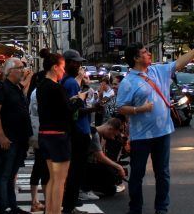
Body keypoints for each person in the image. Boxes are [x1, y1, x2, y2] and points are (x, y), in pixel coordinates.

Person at [116, 35, 194, 214]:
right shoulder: (128, 82)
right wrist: (139, 109)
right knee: (137, 174)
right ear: (135, 58)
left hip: (162, 132)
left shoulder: (157, 71)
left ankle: (162, 209)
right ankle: (135, 209)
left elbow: (178, 63)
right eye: (144, 52)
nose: (149, 54)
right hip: (141, 136)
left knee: (163, 174)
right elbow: (120, 108)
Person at [0, 58, 32, 214]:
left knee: (12, 173)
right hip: (8, 138)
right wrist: (1, 136)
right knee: (5, 173)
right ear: (10, 71)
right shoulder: (1, 88)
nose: (23, 70)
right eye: (20, 67)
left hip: (20, 138)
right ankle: (4, 206)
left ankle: (12, 205)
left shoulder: (16, 88)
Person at [60, 49, 100, 214]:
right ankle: (69, 206)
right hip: (78, 132)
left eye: (79, 62)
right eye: (75, 62)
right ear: (67, 63)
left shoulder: (66, 81)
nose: (79, 65)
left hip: (75, 131)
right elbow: (74, 111)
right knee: (76, 171)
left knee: (74, 171)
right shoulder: (70, 83)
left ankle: (70, 205)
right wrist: (93, 109)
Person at [36, 53, 76, 214]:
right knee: (60, 180)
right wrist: (78, 100)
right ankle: (55, 211)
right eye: (62, 68)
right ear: (55, 67)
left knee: (53, 178)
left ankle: (51, 211)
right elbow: (68, 111)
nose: (63, 71)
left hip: (44, 134)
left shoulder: (41, 86)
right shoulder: (56, 87)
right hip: (58, 136)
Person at [81, 118, 126, 197]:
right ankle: (83, 189)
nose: (112, 138)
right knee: (110, 172)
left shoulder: (99, 134)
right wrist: (119, 167)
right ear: (110, 129)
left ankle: (88, 187)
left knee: (111, 189)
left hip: (86, 164)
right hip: (82, 164)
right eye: (113, 134)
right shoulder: (94, 133)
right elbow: (100, 157)